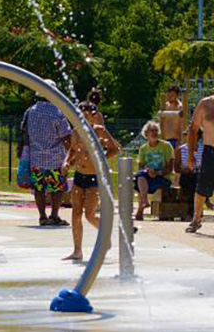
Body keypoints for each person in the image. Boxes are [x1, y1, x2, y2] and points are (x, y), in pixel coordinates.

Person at [62, 101, 121, 261]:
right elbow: (72, 150)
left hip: (94, 177)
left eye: (86, 115)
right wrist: (66, 161)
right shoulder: (76, 132)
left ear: (93, 116)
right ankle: (77, 251)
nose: (83, 118)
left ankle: (105, 235)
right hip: (79, 175)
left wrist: (99, 159)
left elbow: (115, 149)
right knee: (75, 214)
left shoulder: (100, 132)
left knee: (89, 214)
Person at [22, 90, 73, 226]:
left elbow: (24, 131)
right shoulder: (57, 112)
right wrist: (71, 155)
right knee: (57, 188)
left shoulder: (30, 111)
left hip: (36, 158)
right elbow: (66, 135)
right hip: (55, 158)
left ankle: (42, 216)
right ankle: (54, 215)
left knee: (39, 188)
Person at [134, 120, 175, 221]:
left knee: (140, 181)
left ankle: (140, 210)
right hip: (148, 176)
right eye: (152, 130)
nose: (155, 133)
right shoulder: (143, 148)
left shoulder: (166, 146)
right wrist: (148, 171)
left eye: (156, 130)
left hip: (164, 177)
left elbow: (170, 167)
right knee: (140, 177)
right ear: (146, 134)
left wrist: (157, 173)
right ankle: (144, 201)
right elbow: (141, 167)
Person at [185, 93, 214, 233]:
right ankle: (196, 219)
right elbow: (193, 129)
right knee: (202, 186)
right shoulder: (205, 104)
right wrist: (191, 154)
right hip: (210, 150)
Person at [159, 84, 185, 177]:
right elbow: (161, 122)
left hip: (176, 139)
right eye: (168, 95)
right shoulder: (164, 106)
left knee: (177, 164)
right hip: (165, 138)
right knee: (165, 163)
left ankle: (177, 183)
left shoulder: (180, 107)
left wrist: (180, 140)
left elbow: (182, 125)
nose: (170, 97)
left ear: (177, 95)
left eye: (172, 95)